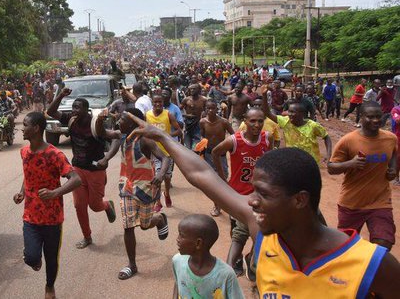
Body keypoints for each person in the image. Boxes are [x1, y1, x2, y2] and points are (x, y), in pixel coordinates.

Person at [124, 114, 400, 298]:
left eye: (264, 194)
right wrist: (164, 138)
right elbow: (202, 175)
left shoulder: (373, 265)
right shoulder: (262, 232)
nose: (251, 200)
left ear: (300, 200)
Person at [13, 112, 82, 299]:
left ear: (36, 128)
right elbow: (29, 176)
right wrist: (22, 192)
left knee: (51, 259)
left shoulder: (55, 154)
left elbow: (76, 180)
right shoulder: (24, 152)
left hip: (52, 219)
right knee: (31, 257)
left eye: (25, 124)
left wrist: (54, 193)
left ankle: (49, 287)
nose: (22, 128)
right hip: (30, 217)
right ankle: (35, 260)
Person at [98, 108, 171, 280]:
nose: (118, 123)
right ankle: (132, 264)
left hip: (145, 189)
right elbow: (102, 132)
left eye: (122, 120)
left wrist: (160, 175)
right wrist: (100, 119)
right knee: (128, 225)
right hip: (127, 188)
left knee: (144, 225)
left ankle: (159, 219)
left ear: (132, 122)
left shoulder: (145, 140)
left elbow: (165, 158)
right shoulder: (121, 135)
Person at [46, 88, 117, 249]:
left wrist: (106, 158)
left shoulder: (96, 123)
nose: (74, 111)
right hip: (77, 170)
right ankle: (87, 236)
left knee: (95, 205)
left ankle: (106, 205)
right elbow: (51, 111)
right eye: (73, 107)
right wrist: (62, 95)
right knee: (79, 205)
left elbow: (116, 138)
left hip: (95, 171)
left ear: (86, 110)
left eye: (78, 108)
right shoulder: (71, 120)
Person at [328, 102, 397, 251]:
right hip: (352, 203)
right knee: (346, 247)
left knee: (384, 243)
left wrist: (393, 169)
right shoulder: (348, 140)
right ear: (361, 117)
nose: (375, 120)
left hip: (380, 201)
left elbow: (394, 154)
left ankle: (370, 271)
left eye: (378, 117)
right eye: (370, 117)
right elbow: (331, 168)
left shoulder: (391, 138)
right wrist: (350, 164)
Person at [212, 108, 271, 279]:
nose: (257, 125)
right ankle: (237, 260)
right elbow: (215, 152)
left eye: (260, 121)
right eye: (253, 121)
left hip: (259, 196)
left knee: (259, 228)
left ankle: (252, 257)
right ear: (245, 120)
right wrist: (223, 178)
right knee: (236, 231)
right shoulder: (234, 140)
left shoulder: (267, 139)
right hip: (237, 194)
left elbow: (271, 160)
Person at [172, 214, 244, 299]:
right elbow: (178, 284)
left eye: (181, 235)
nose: (177, 239)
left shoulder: (226, 275)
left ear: (198, 243)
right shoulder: (177, 261)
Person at [261, 85, 332, 164]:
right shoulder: (286, 122)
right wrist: (264, 95)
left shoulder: (313, 126)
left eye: (292, 112)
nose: (289, 114)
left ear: (301, 114)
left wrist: (329, 156)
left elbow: (326, 137)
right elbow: (267, 113)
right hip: (293, 162)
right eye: (289, 111)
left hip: (311, 163)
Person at [146, 93, 182, 210]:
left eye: (159, 102)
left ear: (163, 103)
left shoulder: (168, 114)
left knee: (167, 176)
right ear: (152, 103)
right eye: (155, 102)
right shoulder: (147, 115)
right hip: (155, 151)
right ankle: (158, 202)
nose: (157, 104)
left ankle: (166, 193)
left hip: (168, 150)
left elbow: (179, 131)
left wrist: (167, 135)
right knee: (158, 176)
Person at [199, 100, 233, 217]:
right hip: (208, 155)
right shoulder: (203, 122)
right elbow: (202, 136)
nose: (210, 111)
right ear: (205, 109)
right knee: (213, 182)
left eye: (213, 108)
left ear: (217, 109)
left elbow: (233, 136)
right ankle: (217, 205)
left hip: (221, 155)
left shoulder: (224, 122)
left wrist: (231, 149)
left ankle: (228, 203)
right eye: (208, 108)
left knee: (223, 179)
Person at [181, 83, 207, 149]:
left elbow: (207, 110)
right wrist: (185, 115)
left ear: (198, 90)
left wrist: (204, 114)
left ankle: (194, 153)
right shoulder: (186, 100)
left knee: (196, 142)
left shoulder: (203, 100)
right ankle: (188, 153)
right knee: (187, 140)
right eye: (191, 89)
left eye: (194, 89)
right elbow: (179, 110)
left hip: (198, 123)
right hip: (188, 123)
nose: (192, 90)